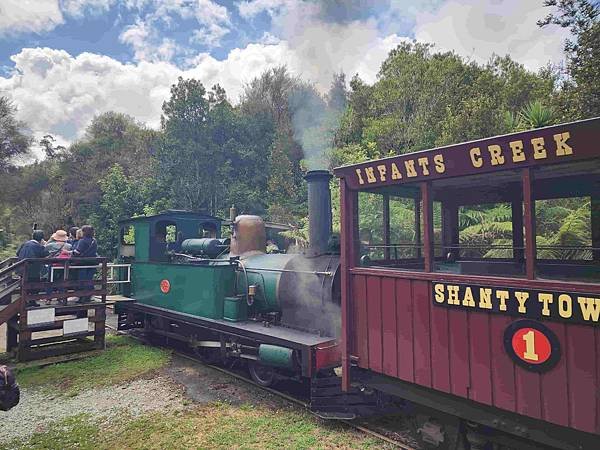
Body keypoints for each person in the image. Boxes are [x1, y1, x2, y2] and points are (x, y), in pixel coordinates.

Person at [16, 230, 49, 307]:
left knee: (24, 285)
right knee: (35, 285)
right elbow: (45, 254)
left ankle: (24, 301)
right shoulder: (37, 246)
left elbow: (17, 253)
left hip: (21, 268)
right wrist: (44, 245)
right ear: (41, 239)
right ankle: (32, 300)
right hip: (33, 270)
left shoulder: (25, 244)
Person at [72, 225, 98, 303]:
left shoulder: (82, 241)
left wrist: (71, 253)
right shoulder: (94, 241)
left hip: (82, 264)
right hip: (92, 263)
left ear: (84, 232)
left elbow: (77, 252)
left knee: (82, 280)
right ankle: (88, 296)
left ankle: (82, 297)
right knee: (89, 280)